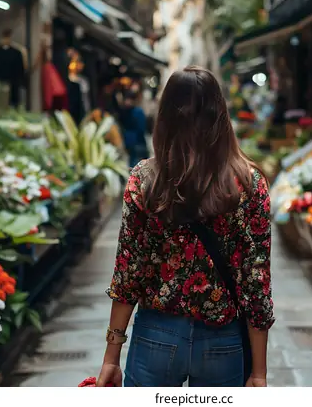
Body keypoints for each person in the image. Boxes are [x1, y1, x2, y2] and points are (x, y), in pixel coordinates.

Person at [97, 66, 274, 388]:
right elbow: (256, 281)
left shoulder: (144, 180)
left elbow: (128, 272)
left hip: (156, 335)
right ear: (220, 115)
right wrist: (259, 372)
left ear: (165, 117)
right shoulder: (249, 183)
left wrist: (111, 357)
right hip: (223, 340)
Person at [117, 90, 149, 167]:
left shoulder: (135, 111)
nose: (127, 102)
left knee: (136, 166)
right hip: (133, 143)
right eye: (126, 99)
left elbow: (141, 129)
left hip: (136, 143)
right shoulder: (125, 112)